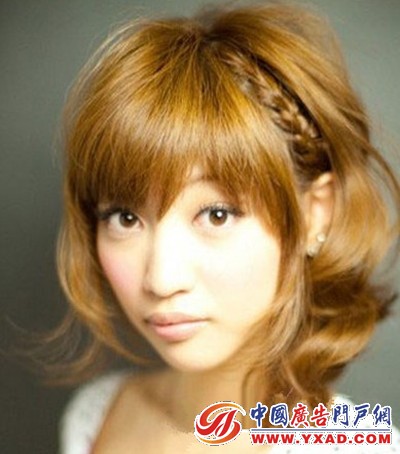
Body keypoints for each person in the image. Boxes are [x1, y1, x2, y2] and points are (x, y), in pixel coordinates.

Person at [53, 2, 400, 452]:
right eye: (125, 218)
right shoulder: (98, 413)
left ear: (314, 213)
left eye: (216, 215)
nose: (162, 279)